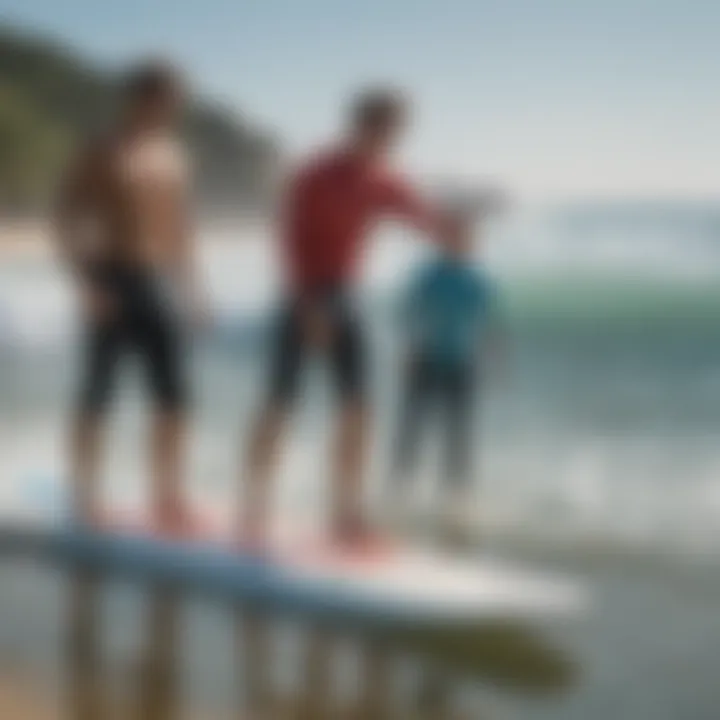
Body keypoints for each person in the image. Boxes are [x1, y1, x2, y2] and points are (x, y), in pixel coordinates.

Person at [240, 87, 440, 546]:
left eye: (398, 132)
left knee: (359, 407)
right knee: (280, 401)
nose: (393, 140)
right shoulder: (316, 173)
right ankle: (254, 508)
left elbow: (420, 216)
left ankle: (345, 513)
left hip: (348, 297)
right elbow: (287, 242)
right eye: (386, 129)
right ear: (361, 125)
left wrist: (458, 223)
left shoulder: (383, 177)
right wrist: (307, 307)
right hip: (303, 295)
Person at [54, 61, 204, 532]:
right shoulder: (102, 149)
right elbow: (64, 218)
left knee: (174, 396)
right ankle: (85, 494)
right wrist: (86, 285)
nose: (176, 109)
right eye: (170, 99)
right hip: (110, 276)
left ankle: (167, 495)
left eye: (178, 101)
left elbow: (179, 228)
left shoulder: (174, 155)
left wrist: (193, 290)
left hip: (156, 279)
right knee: (99, 392)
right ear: (143, 99)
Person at [390, 205, 502, 531]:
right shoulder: (429, 275)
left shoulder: (477, 280)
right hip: (426, 359)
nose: (461, 241)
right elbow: (409, 313)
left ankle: (456, 500)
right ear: (443, 239)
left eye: (466, 237)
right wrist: (408, 351)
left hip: (460, 364)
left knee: (458, 435)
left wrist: (493, 358)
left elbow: (489, 323)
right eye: (454, 235)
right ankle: (399, 492)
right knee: (412, 430)